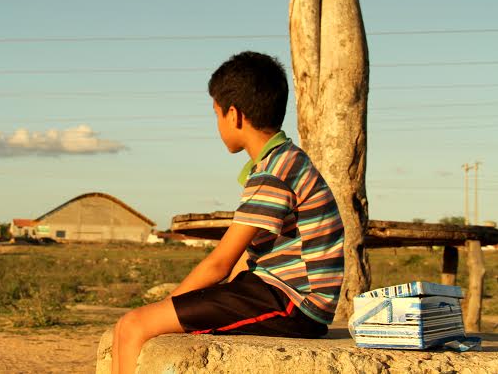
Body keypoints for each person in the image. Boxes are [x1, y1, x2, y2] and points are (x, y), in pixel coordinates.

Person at [111, 52, 344, 374]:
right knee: (130, 325)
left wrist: (168, 305)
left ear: (233, 114)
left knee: (135, 324)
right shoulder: (284, 159)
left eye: (216, 114)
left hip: (294, 303)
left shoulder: (274, 172)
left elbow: (219, 263)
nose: (217, 123)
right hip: (274, 291)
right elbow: (242, 262)